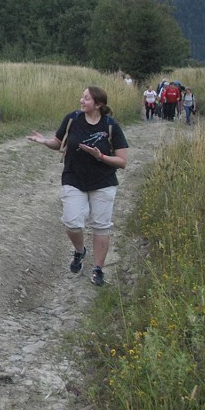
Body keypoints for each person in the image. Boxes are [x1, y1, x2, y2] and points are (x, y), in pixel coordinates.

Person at [27, 86, 129, 286]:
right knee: (72, 223)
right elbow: (58, 143)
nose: (82, 101)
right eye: (82, 97)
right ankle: (80, 251)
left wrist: (100, 156)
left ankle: (98, 269)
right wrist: (44, 141)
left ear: (98, 104)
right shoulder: (72, 119)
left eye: (87, 99)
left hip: (103, 182)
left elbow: (122, 161)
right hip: (73, 177)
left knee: (101, 226)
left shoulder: (111, 126)